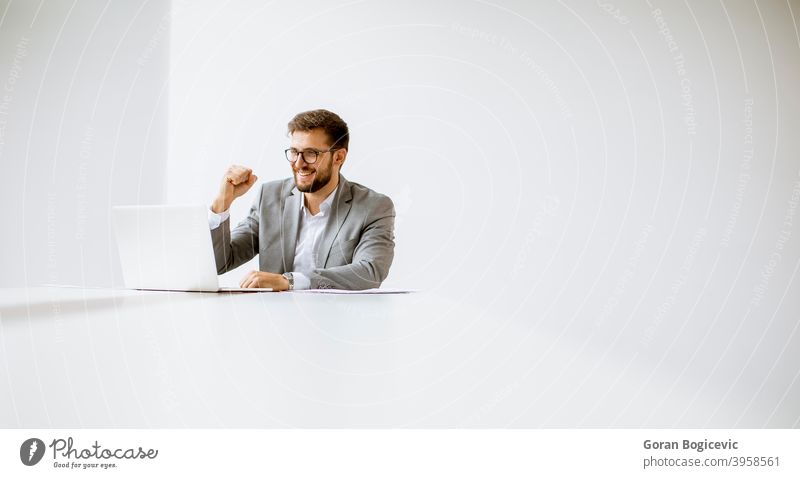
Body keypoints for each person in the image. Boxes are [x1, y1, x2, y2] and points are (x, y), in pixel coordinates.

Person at [207, 109, 395, 291]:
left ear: (338, 157)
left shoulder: (373, 207)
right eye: (294, 152)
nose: (298, 163)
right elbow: (219, 263)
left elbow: (369, 272)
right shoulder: (271, 197)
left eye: (311, 153)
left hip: (336, 318)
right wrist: (222, 203)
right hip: (274, 318)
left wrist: (290, 281)